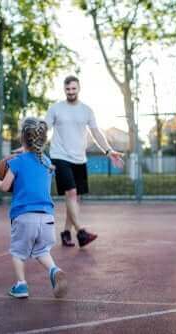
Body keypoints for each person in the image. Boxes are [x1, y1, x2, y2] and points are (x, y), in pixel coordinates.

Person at [45, 75, 124, 248]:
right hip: (60, 156)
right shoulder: (55, 109)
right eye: (67, 89)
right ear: (64, 90)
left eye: (73, 88)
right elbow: (44, 130)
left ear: (79, 88)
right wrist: (29, 146)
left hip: (79, 158)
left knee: (75, 197)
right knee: (71, 194)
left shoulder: (87, 110)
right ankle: (81, 232)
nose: (71, 92)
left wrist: (109, 151)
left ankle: (66, 232)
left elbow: (96, 133)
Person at [0, 117, 67, 299]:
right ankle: (54, 270)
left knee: (18, 253)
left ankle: (21, 285)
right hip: (48, 218)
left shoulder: (16, 162)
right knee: (42, 251)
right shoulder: (48, 163)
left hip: (24, 216)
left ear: (22, 138)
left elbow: (4, 186)